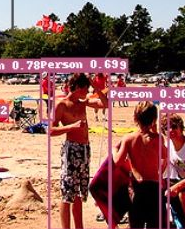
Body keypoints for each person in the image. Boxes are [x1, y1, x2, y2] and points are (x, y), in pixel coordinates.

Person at [49, 73, 109, 229]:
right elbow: (50, 130)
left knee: (79, 193)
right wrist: (71, 127)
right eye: (86, 88)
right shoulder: (61, 105)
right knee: (67, 192)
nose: (87, 91)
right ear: (78, 88)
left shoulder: (83, 102)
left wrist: (94, 85)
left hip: (84, 150)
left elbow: (105, 104)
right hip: (71, 150)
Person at [114, 101, 166, 229]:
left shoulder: (129, 138)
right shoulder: (158, 138)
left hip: (138, 187)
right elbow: (165, 156)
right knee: (155, 224)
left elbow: (118, 161)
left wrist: (114, 149)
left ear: (135, 118)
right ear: (154, 119)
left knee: (136, 223)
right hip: (154, 186)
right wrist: (160, 171)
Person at [161, 113, 185, 228]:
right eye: (167, 128)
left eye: (174, 126)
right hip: (182, 181)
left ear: (181, 128)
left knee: (183, 194)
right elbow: (164, 166)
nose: (171, 130)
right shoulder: (167, 145)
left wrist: (177, 187)